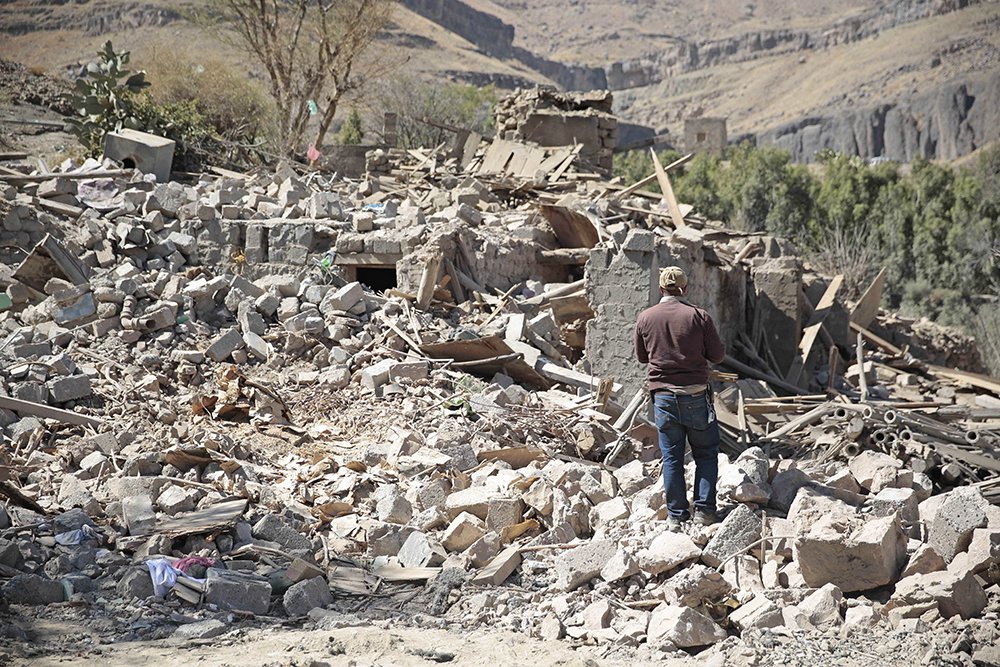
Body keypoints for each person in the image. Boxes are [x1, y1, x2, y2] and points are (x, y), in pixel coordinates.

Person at [634, 266, 726, 528]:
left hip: (663, 398)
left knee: (672, 457)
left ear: (661, 289)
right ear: (685, 289)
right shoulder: (699, 316)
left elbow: (642, 357)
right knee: (705, 454)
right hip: (695, 396)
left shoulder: (645, 317)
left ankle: (676, 516)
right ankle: (705, 511)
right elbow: (718, 356)